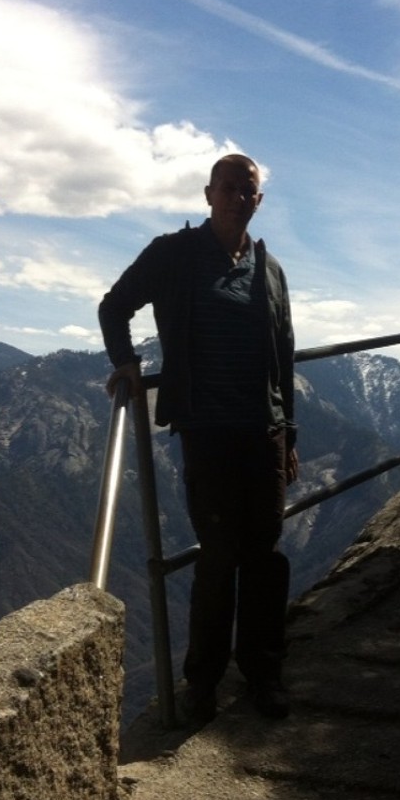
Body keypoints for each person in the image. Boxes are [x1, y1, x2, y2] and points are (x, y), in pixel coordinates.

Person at [98, 153, 298, 723]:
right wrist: (125, 362)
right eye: (227, 187)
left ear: (259, 200)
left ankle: (263, 673)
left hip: (262, 431)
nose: (237, 197)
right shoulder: (173, 254)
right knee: (218, 557)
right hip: (206, 431)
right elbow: (114, 307)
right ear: (208, 194)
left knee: (264, 555)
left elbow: (283, 356)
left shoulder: (270, 270)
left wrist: (289, 435)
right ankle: (202, 684)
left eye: (247, 190)